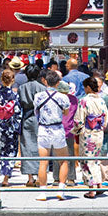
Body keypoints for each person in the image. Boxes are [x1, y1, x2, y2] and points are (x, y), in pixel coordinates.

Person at [34, 69, 71, 201]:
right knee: (63, 161)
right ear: (58, 82)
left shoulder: (38, 96)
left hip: (43, 129)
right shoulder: (63, 97)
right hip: (57, 129)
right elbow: (66, 112)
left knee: (43, 162)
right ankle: (61, 190)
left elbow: (36, 112)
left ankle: (43, 192)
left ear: (45, 81)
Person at [73, 76, 108, 198]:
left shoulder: (84, 101)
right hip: (98, 132)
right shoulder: (101, 100)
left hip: (88, 132)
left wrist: (77, 130)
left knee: (87, 161)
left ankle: (91, 189)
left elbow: (78, 119)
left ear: (88, 87)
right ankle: (99, 185)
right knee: (96, 160)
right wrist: (101, 127)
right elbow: (105, 117)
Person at [0, 69, 22, 187]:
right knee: (11, 151)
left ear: (1, 80)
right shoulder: (15, 96)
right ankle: (6, 177)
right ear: (12, 80)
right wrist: (16, 127)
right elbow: (17, 113)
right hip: (11, 127)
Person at [17, 64, 44, 187]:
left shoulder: (21, 88)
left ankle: (30, 178)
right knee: (40, 146)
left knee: (26, 146)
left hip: (26, 117)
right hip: (39, 118)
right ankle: (40, 175)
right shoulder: (42, 88)